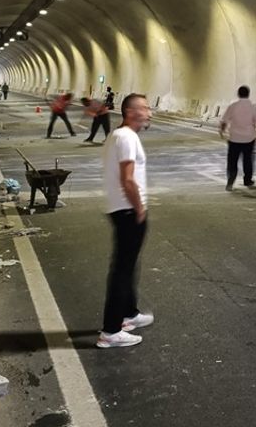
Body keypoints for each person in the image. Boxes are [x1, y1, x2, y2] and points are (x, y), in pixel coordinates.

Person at [97, 93, 155, 349]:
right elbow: (128, 179)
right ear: (130, 112)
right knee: (122, 270)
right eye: (145, 108)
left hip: (120, 209)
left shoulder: (117, 136)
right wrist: (139, 207)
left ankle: (129, 314)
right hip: (128, 210)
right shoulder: (127, 138)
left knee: (128, 265)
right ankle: (110, 331)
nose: (150, 112)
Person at [219, 85, 256, 191]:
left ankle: (230, 181)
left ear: (238, 94)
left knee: (232, 161)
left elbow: (224, 120)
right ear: (248, 94)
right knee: (248, 161)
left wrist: (222, 131)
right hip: (249, 139)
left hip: (234, 139)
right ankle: (247, 180)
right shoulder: (252, 107)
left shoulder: (233, 106)